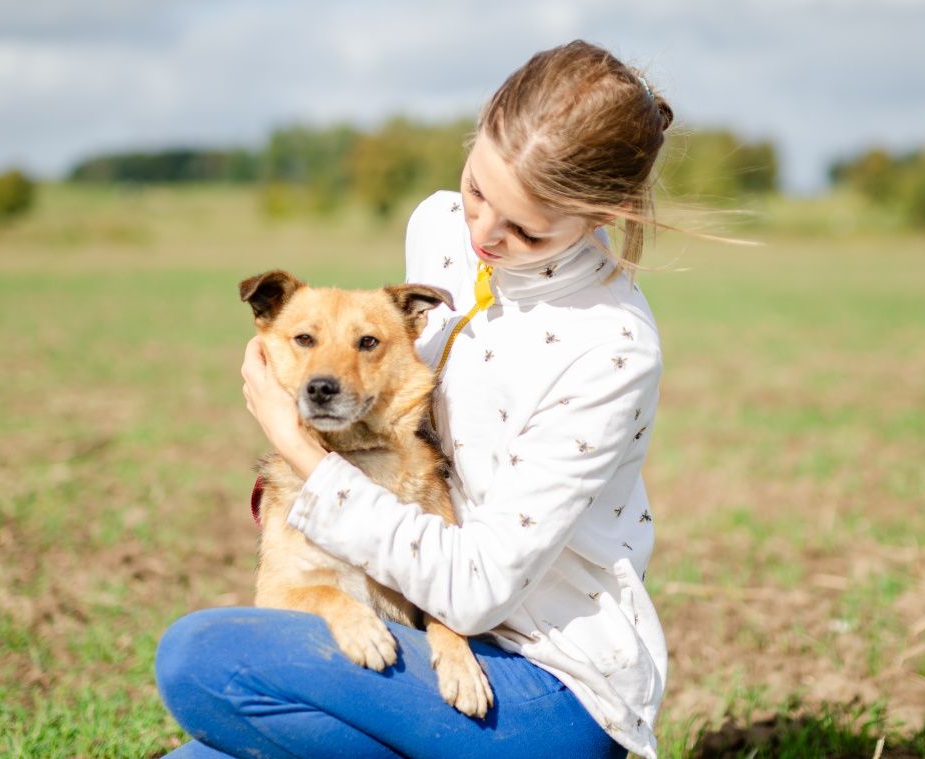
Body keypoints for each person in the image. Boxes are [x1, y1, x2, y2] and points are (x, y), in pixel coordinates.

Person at [156, 39, 676, 759]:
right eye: (477, 189)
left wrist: (298, 446)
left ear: (605, 212)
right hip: (414, 633)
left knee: (198, 657)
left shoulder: (609, 345)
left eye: (526, 229)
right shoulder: (437, 227)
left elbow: (477, 588)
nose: (484, 234)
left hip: (546, 683)